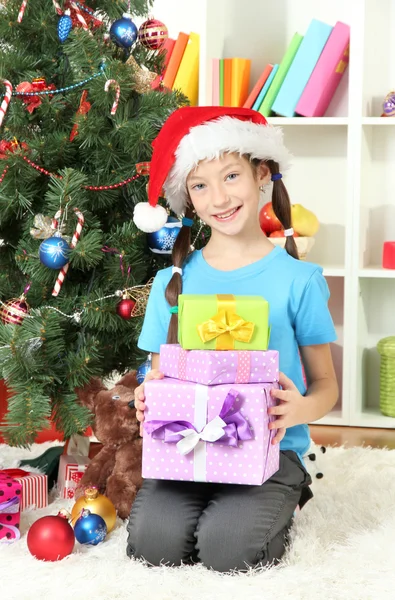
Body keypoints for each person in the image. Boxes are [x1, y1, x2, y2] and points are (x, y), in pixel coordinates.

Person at [126, 106, 338, 572]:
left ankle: (284, 497)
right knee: (153, 546)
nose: (218, 198)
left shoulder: (298, 280)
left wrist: (301, 408)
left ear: (261, 173)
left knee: (228, 551)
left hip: (271, 451)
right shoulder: (171, 283)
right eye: (200, 185)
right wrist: (148, 395)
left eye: (231, 177)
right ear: (188, 198)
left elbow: (326, 386)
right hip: (188, 449)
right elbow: (157, 375)